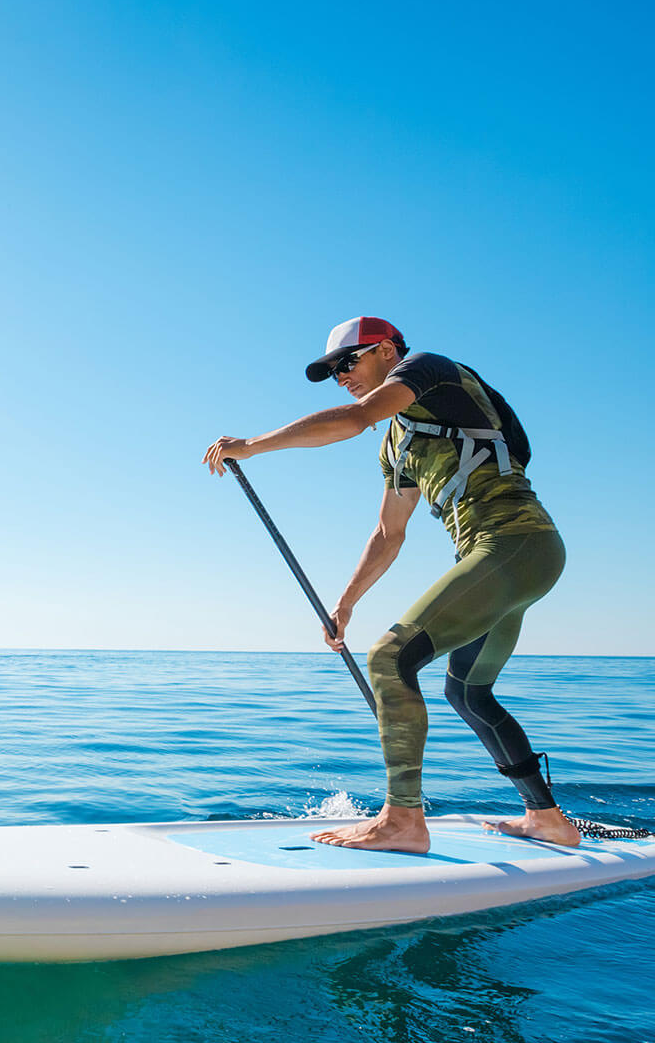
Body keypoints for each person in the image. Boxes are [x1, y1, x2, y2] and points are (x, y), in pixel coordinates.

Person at [202, 316, 576, 853]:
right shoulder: (396, 444)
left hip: (516, 544)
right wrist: (345, 605)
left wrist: (253, 446)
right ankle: (548, 819)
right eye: (332, 372)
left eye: (346, 363)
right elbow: (388, 533)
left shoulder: (431, 369)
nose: (341, 377)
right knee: (467, 692)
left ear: (383, 351)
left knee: (388, 659)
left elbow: (356, 418)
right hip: (505, 560)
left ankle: (403, 821)